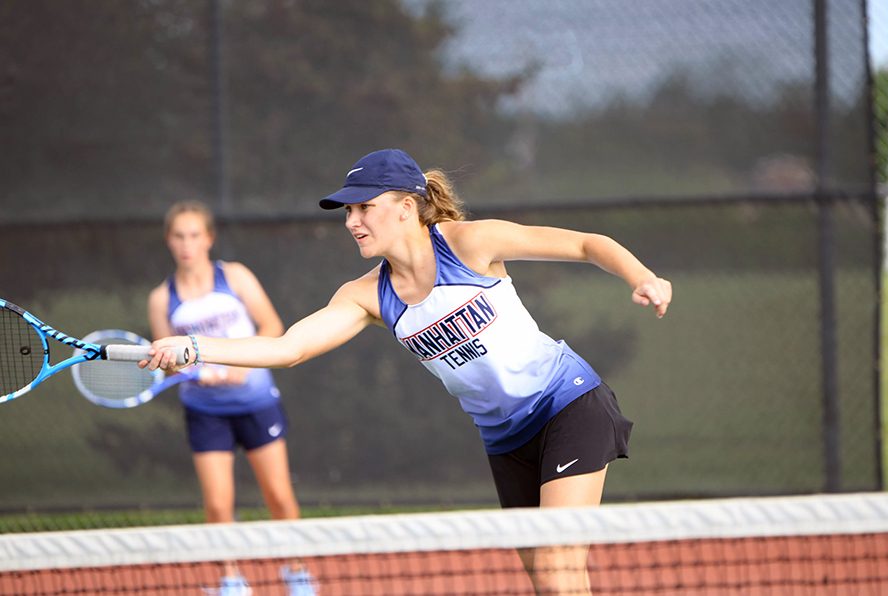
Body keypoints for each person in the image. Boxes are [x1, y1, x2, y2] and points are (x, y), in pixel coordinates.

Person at [146, 150, 672, 595]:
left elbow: (585, 243)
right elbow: (288, 348)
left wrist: (643, 276)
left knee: (558, 571)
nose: (352, 221)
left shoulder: (469, 244)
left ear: (405, 206)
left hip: (568, 405)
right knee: (547, 579)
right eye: (348, 210)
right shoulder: (365, 295)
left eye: (364, 207)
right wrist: (195, 347)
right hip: (505, 438)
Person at [148, 201, 312, 595]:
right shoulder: (161, 298)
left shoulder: (234, 277)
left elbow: (273, 325)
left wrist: (245, 365)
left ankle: (297, 575)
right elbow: (166, 362)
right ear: (169, 241)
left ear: (208, 238)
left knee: (278, 496)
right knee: (219, 505)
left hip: (257, 403)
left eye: (194, 235)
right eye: (179, 236)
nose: (187, 244)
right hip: (205, 413)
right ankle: (232, 581)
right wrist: (185, 369)